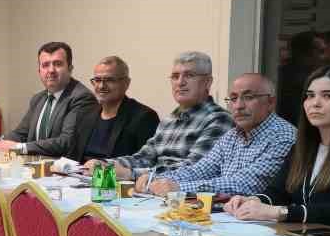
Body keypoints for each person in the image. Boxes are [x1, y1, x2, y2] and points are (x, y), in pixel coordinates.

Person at [225, 66, 330, 224]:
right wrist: (253, 201)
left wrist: (279, 212)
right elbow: (278, 191)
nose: (315, 103)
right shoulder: (304, 145)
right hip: (299, 234)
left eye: (328, 96)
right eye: (310, 96)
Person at [86, 51, 234, 180]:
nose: (180, 82)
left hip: (185, 198)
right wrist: (105, 164)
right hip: (151, 190)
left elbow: (194, 171)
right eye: (175, 76)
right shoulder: (170, 119)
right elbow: (143, 158)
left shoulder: (219, 119)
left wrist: (131, 174)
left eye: (189, 75)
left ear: (207, 82)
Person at [147, 73, 295, 196]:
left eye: (248, 97)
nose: (238, 106)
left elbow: (247, 184)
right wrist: (155, 180)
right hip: (228, 214)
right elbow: (199, 170)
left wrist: (179, 188)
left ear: (270, 102)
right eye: (233, 98)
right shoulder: (232, 136)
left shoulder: (284, 137)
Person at [0, 41, 96, 157]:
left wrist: (20, 148)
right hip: (34, 164)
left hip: (62, 166)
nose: (51, 70)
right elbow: (21, 133)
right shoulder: (38, 98)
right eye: (45, 65)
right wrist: (0, 141)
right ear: (39, 71)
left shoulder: (82, 97)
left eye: (58, 64)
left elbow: (66, 142)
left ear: (70, 68)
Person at [69, 56, 159, 162]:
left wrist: (99, 168)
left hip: (112, 172)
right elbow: (72, 156)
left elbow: (145, 163)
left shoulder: (144, 117)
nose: (101, 86)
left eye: (109, 80)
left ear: (126, 83)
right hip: (78, 172)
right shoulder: (85, 114)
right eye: (97, 80)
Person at [277, 31, 327, 126]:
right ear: (304, 54)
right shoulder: (294, 81)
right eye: (321, 52)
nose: (325, 57)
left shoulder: (314, 77)